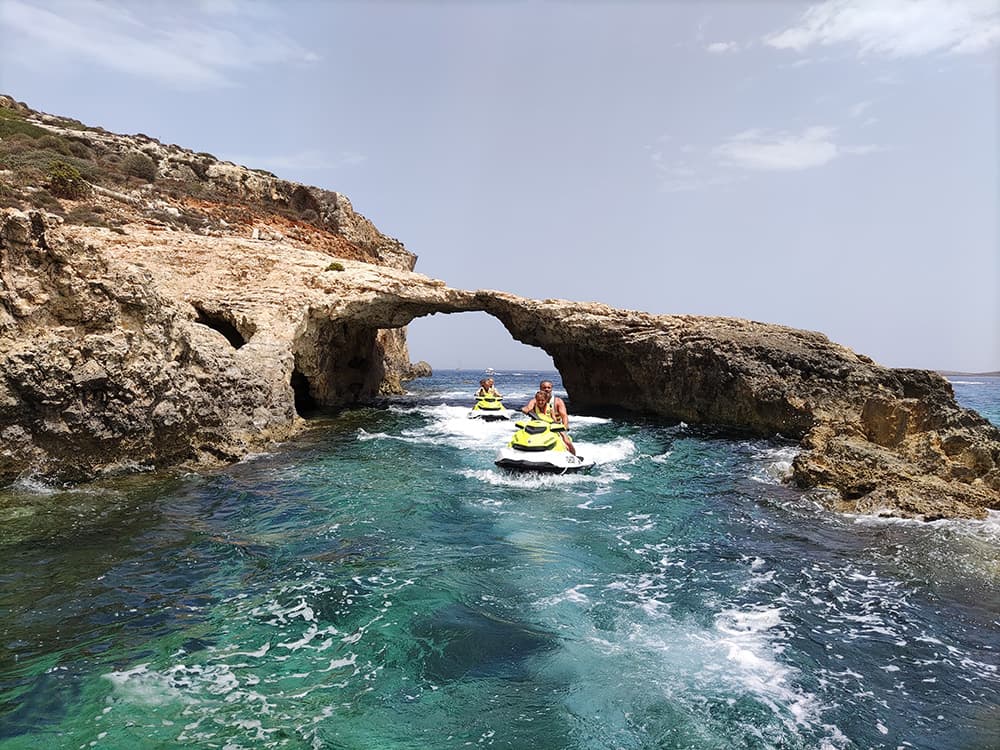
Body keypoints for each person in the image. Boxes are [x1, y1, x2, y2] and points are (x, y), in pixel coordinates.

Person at [522, 381, 576, 455]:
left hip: (554, 427)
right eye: (544, 388)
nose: (546, 389)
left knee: (566, 441)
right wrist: (525, 410)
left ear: (551, 389)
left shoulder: (557, 401)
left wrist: (565, 426)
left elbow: (564, 415)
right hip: (537, 427)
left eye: (548, 388)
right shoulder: (535, 401)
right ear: (540, 388)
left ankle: (574, 456)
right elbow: (528, 408)